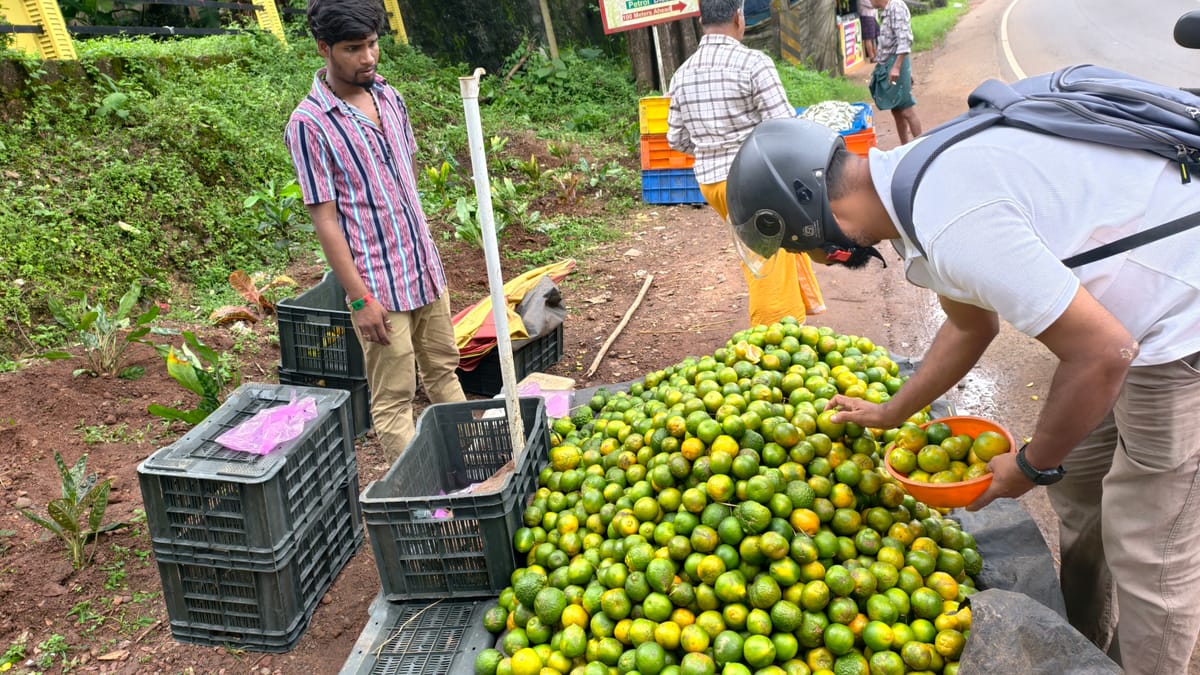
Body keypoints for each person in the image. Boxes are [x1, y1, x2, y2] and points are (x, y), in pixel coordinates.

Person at [725, 116, 1200, 675]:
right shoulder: (910, 185)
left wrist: (1029, 465)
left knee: (1152, 548)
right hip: (1118, 323)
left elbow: (1102, 355)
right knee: (1081, 496)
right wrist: (890, 410)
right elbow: (971, 327)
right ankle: (1083, 646)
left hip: (1178, 322)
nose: (825, 260)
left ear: (811, 219)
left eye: (805, 247)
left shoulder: (951, 222)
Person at [285, 0, 465, 462]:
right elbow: (325, 219)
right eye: (352, 48)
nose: (367, 57)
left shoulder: (388, 95)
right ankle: (426, 507)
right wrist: (360, 298)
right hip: (379, 285)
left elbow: (407, 173)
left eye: (372, 44)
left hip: (423, 268)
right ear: (324, 48)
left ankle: (474, 470)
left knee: (445, 372)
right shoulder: (310, 124)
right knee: (395, 398)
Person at [666, 0, 826, 328]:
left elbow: (676, 139)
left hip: (713, 185)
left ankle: (798, 308)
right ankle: (775, 342)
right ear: (739, 18)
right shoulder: (753, 62)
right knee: (768, 262)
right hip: (754, 184)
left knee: (770, 244)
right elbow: (784, 128)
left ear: (702, 20)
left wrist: (713, 150)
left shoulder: (682, 74)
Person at [869, 0, 921, 143]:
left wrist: (897, 67)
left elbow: (905, 40)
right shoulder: (886, 11)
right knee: (896, 110)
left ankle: (920, 146)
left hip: (896, 64)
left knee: (907, 110)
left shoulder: (897, 7)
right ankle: (905, 147)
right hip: (890, 64)